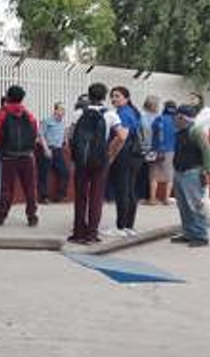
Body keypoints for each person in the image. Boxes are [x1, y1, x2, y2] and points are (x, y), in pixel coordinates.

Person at [67, 83, 126, 245]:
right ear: (104, 96)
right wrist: (111, 152)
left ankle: (78, 232)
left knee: (80, 196)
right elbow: (122, 136)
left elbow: (70, 136)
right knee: (96, 196)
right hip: (100, 160)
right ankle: (92, 234)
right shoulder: (111, 115)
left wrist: (74, 156)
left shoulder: (78, 113)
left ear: (89, 95)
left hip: (82, 160)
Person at [0, 86, 42, 227]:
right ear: (22, 98)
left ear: (8, 97)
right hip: (27, 156)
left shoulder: (0, 114)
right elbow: (35, 132)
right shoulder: (29, 115)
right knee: (30, 187)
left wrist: (3, 149)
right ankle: (32, 216)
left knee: (6, 188)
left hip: (8, 156)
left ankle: (1, 217)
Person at [108, 86, 146, 237]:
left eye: (117, 96)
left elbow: (122, 137)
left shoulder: (123, 113)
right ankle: (129, 226)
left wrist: (111, 156)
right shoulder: (133, 112)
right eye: (112, 96)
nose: (114, 99)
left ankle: (121, 227)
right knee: (130, 190)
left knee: (122, 190)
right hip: (135, 155)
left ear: (126, 98)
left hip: (125, 155)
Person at [171, 106, 210, 247]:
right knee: (183, 205)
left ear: (182, 118)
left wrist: (206, 171)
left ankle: (201, 235)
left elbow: (207, 151)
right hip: (180, 172)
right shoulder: (180, 132)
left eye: (175, 116)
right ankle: (188, 232)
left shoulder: (196, 132)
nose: (173, 119)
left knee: (195, 205)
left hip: (192, 172)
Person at [36, 102, 69, 203]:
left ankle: (60, 195)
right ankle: (44, 197)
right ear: (55, 110)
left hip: (58, 151)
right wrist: (46, 149)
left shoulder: (63, 123)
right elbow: (41, 135)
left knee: (65, 172)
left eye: (64, 110)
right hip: (48, 149)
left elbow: (64, 136)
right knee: (44, 174)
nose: (63, 112)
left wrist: (65, 139)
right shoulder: (47, 121)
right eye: (61, 109)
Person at [147, 100, 178, 205]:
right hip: (171, 150)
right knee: (169, 176)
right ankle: (166, 198)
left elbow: (152, 131)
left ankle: (152, 199)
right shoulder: (176, 121)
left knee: (154, 175)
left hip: (156, 149)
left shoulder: (158, 119)